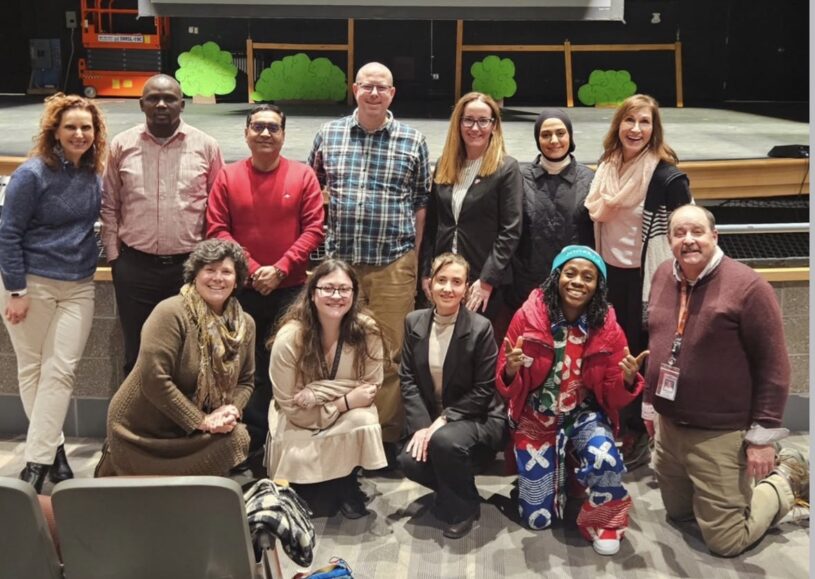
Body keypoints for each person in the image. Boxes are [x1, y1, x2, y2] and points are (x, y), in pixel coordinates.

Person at [644, 204, 808, 557]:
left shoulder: (749, 287)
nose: (688, 240)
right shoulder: (662, 275)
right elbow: (657, 344)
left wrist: (762, 437)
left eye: (697, 232)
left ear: (714, 236)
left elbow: (774, 366)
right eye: (679, 233)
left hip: (720, 433)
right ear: (669, 240)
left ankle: (786, 476)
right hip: (671, 428)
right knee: (679, 515)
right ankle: (732, 489)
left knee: (726, 541)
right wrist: (648, 404)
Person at [308, 62, 432, 448]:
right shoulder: (329, 134)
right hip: (341, 270)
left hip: (394, 264)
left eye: (382, 88)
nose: (374, 93)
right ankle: (340, 433)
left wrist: (413, 255)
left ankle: (385, 436)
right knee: (334, 351)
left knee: (390, 353)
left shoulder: (413, 140)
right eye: (367, 87)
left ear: (392, 93)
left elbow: (421, 202)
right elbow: (314, 190)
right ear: (355, 89)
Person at [497, 245, 647, 556]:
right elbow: (506, 387)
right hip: (536, 417)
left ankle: (605, 521)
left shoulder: (608, 327)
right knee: (537, 519)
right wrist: (511, 369)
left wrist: (628, 380)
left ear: (598, 286)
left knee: (605, 457)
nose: (578, 281)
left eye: (588, 277)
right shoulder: (527, 316)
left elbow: (613, 397)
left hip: (583, 415)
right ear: (556, 277)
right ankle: (559, 477)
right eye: (570, 273)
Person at [0, 93, 107, 493]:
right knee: (32, 370)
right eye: (71, 127)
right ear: (55, 132)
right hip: (31, 284)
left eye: (86, 127)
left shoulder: (92, 175)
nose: (79, 134)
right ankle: (55, 451)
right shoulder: (32, 174)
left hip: (78, 285)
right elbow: (8, 233)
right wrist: (15, 290)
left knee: (60, 370)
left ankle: (36, 463)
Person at [207, 104, 325, 455]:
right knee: (247, 368)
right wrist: (255, 268)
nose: (265, 133)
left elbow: (314, 228)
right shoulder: (227, 177)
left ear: (284, 135)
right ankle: (254, 440)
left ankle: (290, 438)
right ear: (245, 133)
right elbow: (217, 229)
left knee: (292, 363)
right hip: (243, 292)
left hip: (289, 290)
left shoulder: (303, 176)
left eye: (273, 128)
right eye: (257, 126)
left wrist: (281, 268)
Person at [583, 94, 692, 469]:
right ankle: (611, 421)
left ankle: (637, 432)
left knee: (639, 355)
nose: (636, 129)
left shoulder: (666, 176)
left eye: (644, 122)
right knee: (609, 352)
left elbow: (685, 236)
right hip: (608, 276)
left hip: (647, 282)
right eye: (629, 121)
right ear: (618, 126)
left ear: (654, 129)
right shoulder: (605, 168)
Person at [96, 239, 255, 476]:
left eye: (226, 272)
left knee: (238, 437)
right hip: (142, 432)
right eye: (209, 270)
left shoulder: (245, 324)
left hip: (193, 430)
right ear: (194, 275)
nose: (217, 278)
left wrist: (230, 410)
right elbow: (154, 378)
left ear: (237, 280)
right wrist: (201, 421)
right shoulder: (170, 312)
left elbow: (246, 381)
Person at [101, 73, 224, 375]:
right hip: (135, 268)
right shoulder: (121, 145)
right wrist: (115, 258)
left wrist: (208, 262)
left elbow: (218, 207)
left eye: (169, 99)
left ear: (182, 105)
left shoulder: (206, 146)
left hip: (187, 269)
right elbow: (109, 205)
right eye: (153, 98)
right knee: (137, 352)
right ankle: (136, 421)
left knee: (190, 354)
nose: (161, 104)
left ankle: (185, 422)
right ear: (141, 104)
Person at [267, 259, 388, 519]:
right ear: (312, 293)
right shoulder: (290, 337)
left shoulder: (368, 330)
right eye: (328, 288)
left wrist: (317, 392)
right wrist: (343, 401)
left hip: (342, 414)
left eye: (344, 289)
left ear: (354, 295)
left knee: (363, 417)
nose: (336, 296)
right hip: (299, 419)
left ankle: (346, 481)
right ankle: (318, 483)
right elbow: (291, 406)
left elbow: (370, 387)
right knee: (318, 507)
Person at [397, 253, 506, 539]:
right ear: (429, 285)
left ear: (466, 288)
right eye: (441, 280)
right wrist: (422, 426)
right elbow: (407, 378)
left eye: (456, 282)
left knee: (443, 441)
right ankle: (456, 490)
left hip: (478, 416)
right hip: (433, 420)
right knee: (408, 461)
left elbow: (484, 390)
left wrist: (441, 422)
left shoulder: (480, 328)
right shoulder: (413, 322)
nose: (447, 288)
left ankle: (464, 508)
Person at [421, 92, 522, 322]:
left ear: (494, 126)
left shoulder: (506, 169)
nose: (475, 128)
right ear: (458, 123)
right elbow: (432, 225)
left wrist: (487, 280)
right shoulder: (444, 166)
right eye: (468, 120)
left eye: (483, 121)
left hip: (481, 281)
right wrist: (428, 272)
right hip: (445, 279)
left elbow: (510, 230)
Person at [506, 108, 594, 313]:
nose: (554, 140)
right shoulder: (519, 177)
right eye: (546, 135)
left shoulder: (590, 179)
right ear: (538, 140)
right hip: (527, 286)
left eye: (560, 133)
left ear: (570, 136)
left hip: (575, 287)